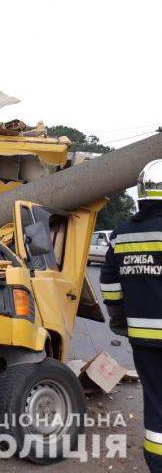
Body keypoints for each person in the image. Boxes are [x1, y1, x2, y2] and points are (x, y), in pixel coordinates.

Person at [100, 159, 162, 473]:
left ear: (141, 196)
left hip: (144, 341)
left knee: (156, 404)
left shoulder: (122, 236)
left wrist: (119, 318)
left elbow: (109, 283)